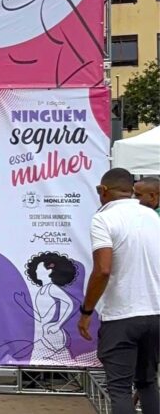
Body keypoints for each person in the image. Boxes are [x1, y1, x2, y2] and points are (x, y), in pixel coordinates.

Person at [79, 168, 160, 414]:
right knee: (147, 383)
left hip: (121, 315)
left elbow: (103, 270)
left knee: (120, 389)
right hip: (155, 312)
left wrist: (86, 311)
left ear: (103, 190)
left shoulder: (103, 219)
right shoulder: (152, 216)